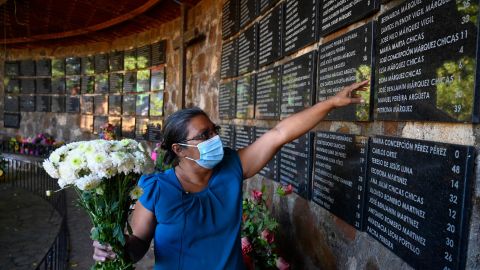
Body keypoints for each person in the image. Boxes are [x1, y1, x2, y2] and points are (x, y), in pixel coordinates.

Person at [93, 80, 369, 269]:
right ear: (179, 149)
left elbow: (279, 134)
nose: (214, 139)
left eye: (214, 131)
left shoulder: (232, 167)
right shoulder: (156, 188)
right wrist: (114, 250)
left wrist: (331, 103)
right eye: (204, 135)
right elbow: (138, 245)